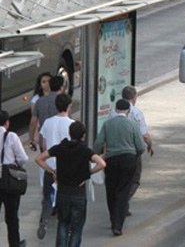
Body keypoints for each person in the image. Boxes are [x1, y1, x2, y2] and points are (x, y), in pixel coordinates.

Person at [35, 121, 106, 247]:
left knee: (63, 224)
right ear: (83, 135)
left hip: (63, 193)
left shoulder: (60, 147)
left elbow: (39, 158)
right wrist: (88, 173)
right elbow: (101, 163)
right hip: (78, 193)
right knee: (76, 228)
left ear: (69, 133)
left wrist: (52, 171)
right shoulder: (85, 150)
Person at [94, 99, 145, 236]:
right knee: (123, 191)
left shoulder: (107, 124)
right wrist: (135, 155)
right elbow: (140, 146)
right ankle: (118, 225)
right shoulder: (132, 124)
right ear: (128, 111)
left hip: (111, 160)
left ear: (116, 110)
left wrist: (97, 154)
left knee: (111, 190)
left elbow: (98, 142)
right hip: (128, 160)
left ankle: (113, 219)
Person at [110, 85, 154, 216]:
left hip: (114, 150)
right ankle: (122, 201)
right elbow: (144, 134)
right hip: (132, 152)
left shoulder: (113, 112)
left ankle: (123, 205)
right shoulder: (136, 112)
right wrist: (150, 145)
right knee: (134, 179)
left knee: (119, 179)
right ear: (134, 98)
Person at [37, 93, 75, 240]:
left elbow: (44, 145)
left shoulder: (47, 122)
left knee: (47, 196)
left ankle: (44, 220)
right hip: (65, 168)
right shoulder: (72, 124)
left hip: (50, 167)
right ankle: (64, 225)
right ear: (69, 106)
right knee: (64, 199)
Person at [0, 110, 28, 247]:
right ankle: (14, 244)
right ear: (7, 123)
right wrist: (15, 164)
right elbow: (23, 158)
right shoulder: (11, 136)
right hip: (9, 181)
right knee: (12, 216)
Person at [32, 75, 65, 148]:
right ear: (61, 87)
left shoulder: (39, 101)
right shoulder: (63, 101)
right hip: (59, 138)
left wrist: (32, 139)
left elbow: (33, 121)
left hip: (43, 138)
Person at [28, 72, 52, 151]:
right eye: (44, 82)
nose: (46, 84)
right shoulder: (36, 99)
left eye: (49, 81)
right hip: (42, 132)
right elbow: (34, 120)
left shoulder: (57, 96)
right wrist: (32, 138)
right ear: (40, 84)